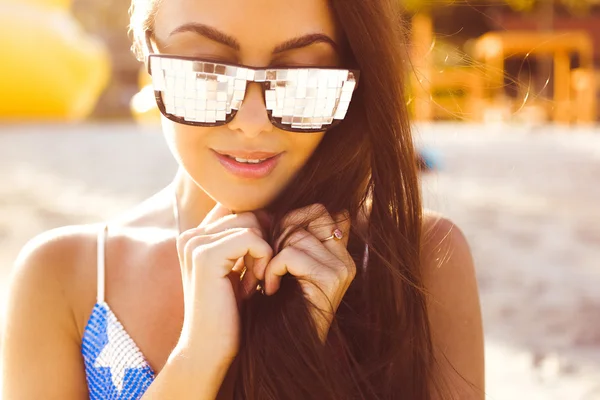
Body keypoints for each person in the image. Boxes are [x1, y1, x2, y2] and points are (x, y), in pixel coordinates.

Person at [1, 0, 484, 398]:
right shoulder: (67, 276)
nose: (252, 123)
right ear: (147, 56)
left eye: (300, 76)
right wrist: (196, 360)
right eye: (207, 72)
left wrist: (297, 350)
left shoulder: (417, 261)